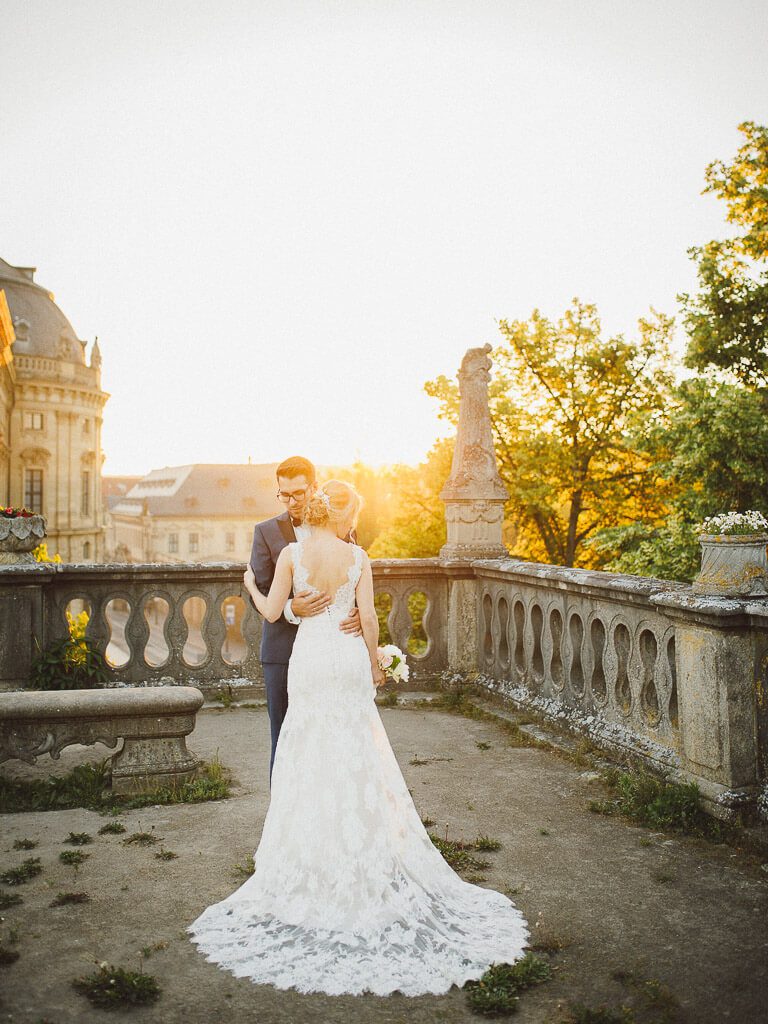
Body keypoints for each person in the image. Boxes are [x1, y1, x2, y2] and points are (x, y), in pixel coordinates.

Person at [186, 480, 530, 997]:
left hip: (310, 660)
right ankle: (368, 849)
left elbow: (274, 612)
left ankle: (311, 855)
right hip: (345, 660)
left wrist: (251, 587)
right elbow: (367, 617)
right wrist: (374, 664)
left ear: (316, 511)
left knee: (306, 750)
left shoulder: (293, 554)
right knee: (357, 751)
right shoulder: (358, 557)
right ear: (343, 517)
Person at [246, 456, 361, 782]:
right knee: (284, 737)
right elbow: (260, 591)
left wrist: (354, 612)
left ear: (314, 487)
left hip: (332, 651)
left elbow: (353, 575)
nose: (292, 501)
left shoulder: (343, 526)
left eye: (298, 493)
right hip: (282, 651)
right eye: (284, 495)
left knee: (334, 734)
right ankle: (282, 823)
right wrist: (290, 609)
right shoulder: (265, 532)